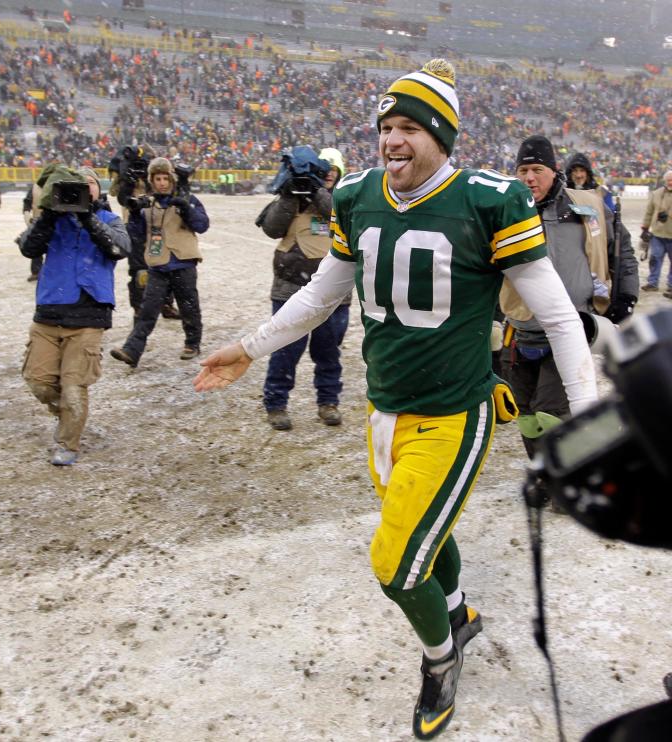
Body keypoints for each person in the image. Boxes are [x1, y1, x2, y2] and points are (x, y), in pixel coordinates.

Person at [194, 60, 598, 740]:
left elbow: (557, 315)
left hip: (454, 414)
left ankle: (440, 659)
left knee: (394, 563)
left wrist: (586, 418)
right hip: (385, 409)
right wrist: (250, 346)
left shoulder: (487, 200)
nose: (392, 140)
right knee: (424, 537)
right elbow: (324, 293)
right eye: (385, 127)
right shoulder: (356, 197)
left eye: (410, 126)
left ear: (442, 137)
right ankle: (461, 612)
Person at [503, 135, 639, 462]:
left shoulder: (587, 206)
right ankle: (545, 471)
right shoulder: (503, 212)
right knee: (524, 413)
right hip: (518, 331)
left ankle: (568, 473)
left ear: (553, 170)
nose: (529, 178)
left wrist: (626, 296)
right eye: (522, 170)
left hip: (570, 328)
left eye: (537, 169)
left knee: (551, 411)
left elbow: (621, 250)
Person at [18, 166, 130, 465]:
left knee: (74, 386)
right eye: (77, 184)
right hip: (49, 313)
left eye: (89, 183)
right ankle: (66, 415)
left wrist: (87, 216)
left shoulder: (108, 219)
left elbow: (120, 249)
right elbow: (29, 248)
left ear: (99, 189)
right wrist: (50, 214)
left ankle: (69, 441)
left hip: (89, 316)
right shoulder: (51, 220)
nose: (83, 188)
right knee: (38, 381)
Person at [256, 146, 351, 430]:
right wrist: (290, 193)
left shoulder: (343, 198)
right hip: (290, 287)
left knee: (328, 350)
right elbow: (272, 228)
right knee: (284, 347)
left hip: (333, 292)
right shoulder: (287, 196)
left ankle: (328, 401)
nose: (330, 174)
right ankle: (276, 404)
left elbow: (340, 217)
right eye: (326, 170)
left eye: (334, 170)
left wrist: (316, 191)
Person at [109, 157, 209, 367]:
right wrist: (135, 214)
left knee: (189, 307)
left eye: (165, 178)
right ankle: (132, 351)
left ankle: (192, 343)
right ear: (151, 181)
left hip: (184, 262)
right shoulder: (146, 203)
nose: (162, 183)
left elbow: (202, 225)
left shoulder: (187, 198)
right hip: (157, 265)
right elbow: (135, 235)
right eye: (157, 178)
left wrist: (186, 208)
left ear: (172, 179)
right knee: (147, 310)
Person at [641, 170, 672, 298]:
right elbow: (649, 212)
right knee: (654, 258)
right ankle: (653, 283)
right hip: (657, 234)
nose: (670, 182)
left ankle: (671, 286)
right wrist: (645, 228)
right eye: (668, 180)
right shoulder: (656, 194)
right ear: (665, 181)